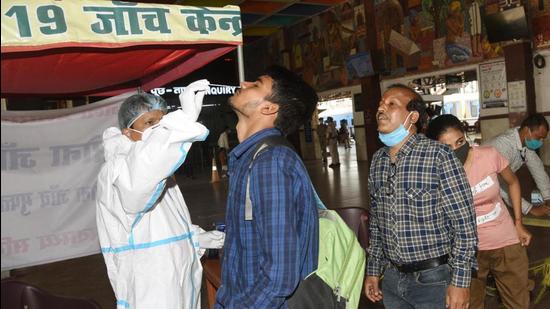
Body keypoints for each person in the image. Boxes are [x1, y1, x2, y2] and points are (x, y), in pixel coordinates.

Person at [96, 81, 225, 309]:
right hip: (151, 283)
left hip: (177, 274)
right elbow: (138, 186)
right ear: (127, 132)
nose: (158, 128)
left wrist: (194, 238)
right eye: (149, 123)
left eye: (161, 121)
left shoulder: (157, 171)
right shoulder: (118, 169)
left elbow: (162, 223)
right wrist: (183, 121)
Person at [365, 84, 477, 309]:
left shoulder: (438, 156)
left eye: (391, 104)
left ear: (413, 116)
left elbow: (464, 224)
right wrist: (373, 270)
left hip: (434, 280)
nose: (381, 109)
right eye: (380, 104)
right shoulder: (378, 160)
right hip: (393, 278)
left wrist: (461, 282)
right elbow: (376, 223)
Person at [215, 65, 319, 308]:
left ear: (269, 108)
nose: (244, 84)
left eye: (256, 84)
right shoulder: (250, 158)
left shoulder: (270, 161)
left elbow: (279, 278)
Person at [427, 114, 532, 309]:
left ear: (466, 136)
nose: (457, 150)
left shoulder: (488, 154)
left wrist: (518, 223)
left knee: (519, 302)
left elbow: (513, 182)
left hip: (506, 243)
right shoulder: (435, 172)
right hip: (466, 252)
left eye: (460, 141)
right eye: (447, 147)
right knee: (470, 304)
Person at [484, 113, 550, 217]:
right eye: (538, 137)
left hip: (493, 185)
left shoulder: (525, 144)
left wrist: (547, 198)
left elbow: (538, 169)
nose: (541, 142)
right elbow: (502, 185)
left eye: (543, 139)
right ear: (526, 130)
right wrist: (530, 209)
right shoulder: (504, 146)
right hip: (479, 185)